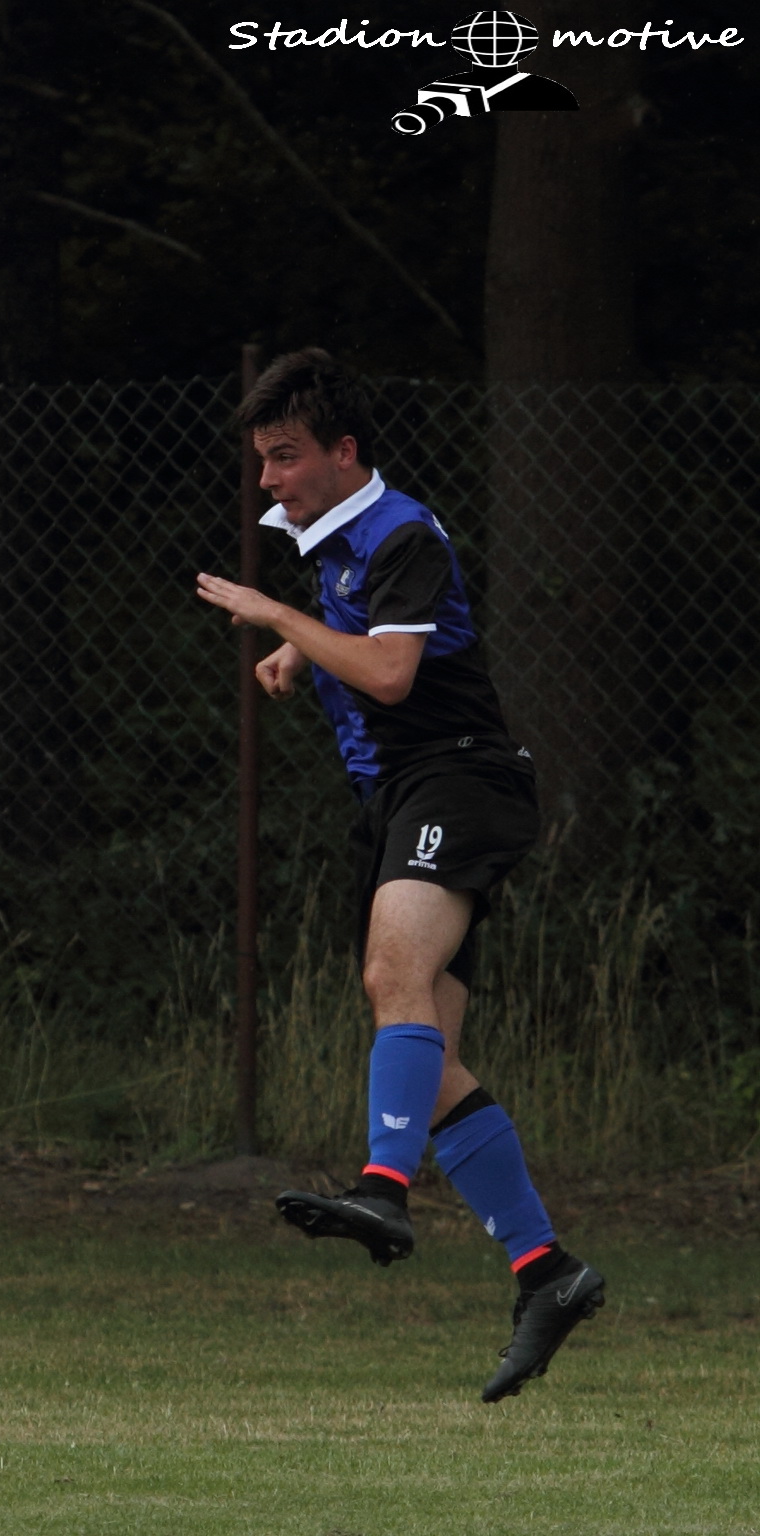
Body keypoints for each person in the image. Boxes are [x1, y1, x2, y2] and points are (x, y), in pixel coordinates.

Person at [195, 348, 604, 1404]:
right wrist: (301, 651)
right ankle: (546, 1271)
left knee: (392, 979)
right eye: (262, 459)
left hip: (458, 781)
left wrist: (279, 620)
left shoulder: (402, 531)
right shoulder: (336, 536)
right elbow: (361, 630)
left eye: (287, 456)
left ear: (344, 451)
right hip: (397, 799)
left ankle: (383, 1192)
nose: (269, 480)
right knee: (427, 1059)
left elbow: (389, 671)